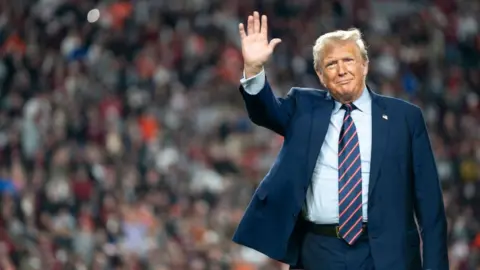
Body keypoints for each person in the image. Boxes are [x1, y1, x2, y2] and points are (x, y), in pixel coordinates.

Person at [232, 11, 449, 270]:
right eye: (331, 64)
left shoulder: (406, 118)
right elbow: (264, 111)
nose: (342, 70)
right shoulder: (303, 106)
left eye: (349, 60)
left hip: (389, 254)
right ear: (320, 75)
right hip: (318, 251)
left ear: (365, 65)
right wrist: (255, 68)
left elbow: (430, 208)